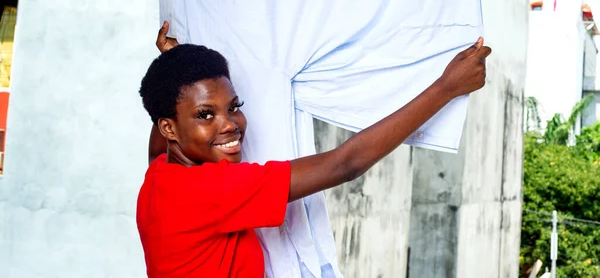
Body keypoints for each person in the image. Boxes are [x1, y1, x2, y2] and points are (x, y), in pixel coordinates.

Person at [136, 21, 491, 277]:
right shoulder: (210, 189)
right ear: (169, 127)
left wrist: (175, 67)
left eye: (234, 106)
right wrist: (447, 88)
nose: (228, 124)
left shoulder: (160, 177)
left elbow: (159, 146)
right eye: (205, 115)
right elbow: (345, 163)